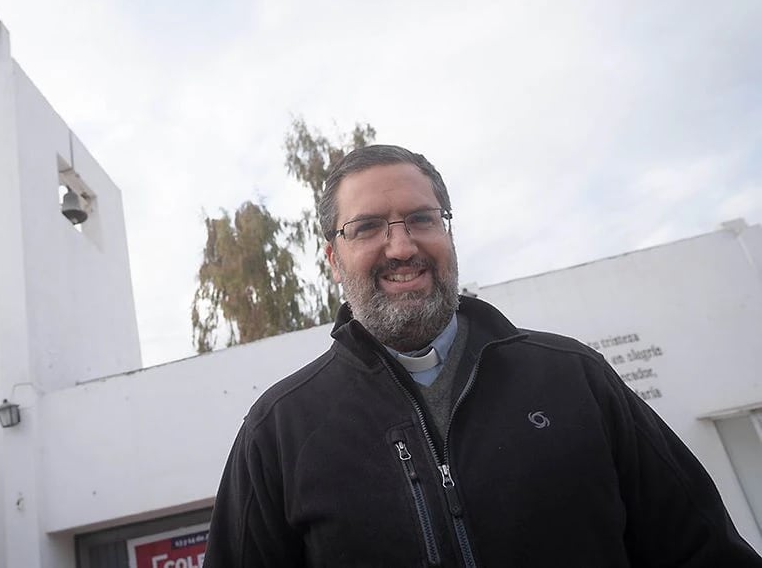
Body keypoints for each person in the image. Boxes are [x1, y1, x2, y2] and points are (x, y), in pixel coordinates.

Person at [203, 144, 761, 567]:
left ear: (448, 235)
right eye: (368, 227)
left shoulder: (573, 377)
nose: (402, 246)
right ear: (332, 257)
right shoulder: (279, 432)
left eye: (422, 219)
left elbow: (703, 552)